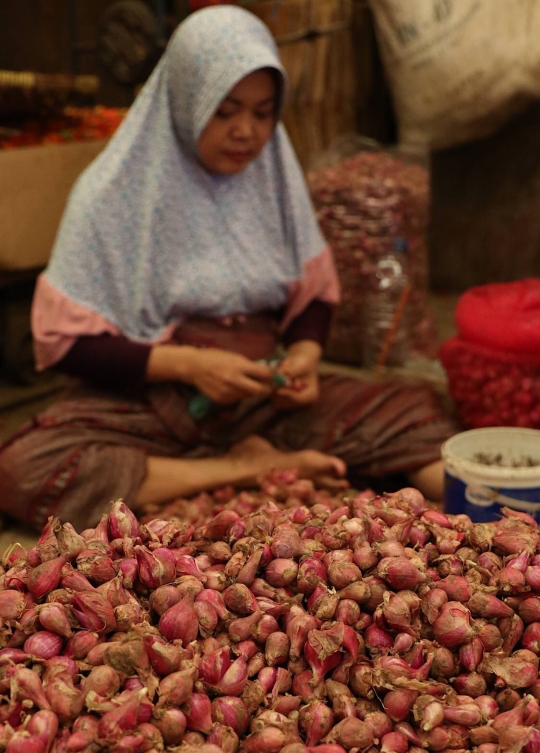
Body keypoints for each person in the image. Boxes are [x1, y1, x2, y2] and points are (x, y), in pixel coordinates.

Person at [0, 6, 454, 533]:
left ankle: (228, 464)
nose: (247, 132)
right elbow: (66, 344)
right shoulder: (112, 194)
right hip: (149, 402)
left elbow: (313, 296)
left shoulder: (273, 176)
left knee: (413, 407)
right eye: (225, 110)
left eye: (263, 113)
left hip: (259, 394)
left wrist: (304, 357)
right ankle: (245, 468)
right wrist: (189, 366)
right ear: (186, 98)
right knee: (23, 465)